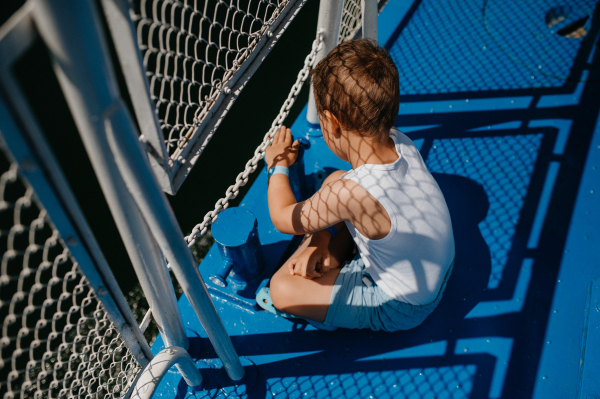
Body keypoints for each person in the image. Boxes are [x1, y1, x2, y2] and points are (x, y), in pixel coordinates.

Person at [257, 39, 455, 331]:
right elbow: (351, 193)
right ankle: (325, 246)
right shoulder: (400, 140)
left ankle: (327, 269)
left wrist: (278, 165)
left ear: (331, 122)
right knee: (336, 179)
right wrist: (321, 238)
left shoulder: (352, 193)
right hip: (436, 269)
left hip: (403, 305)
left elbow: (283, 217)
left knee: (281, 289)